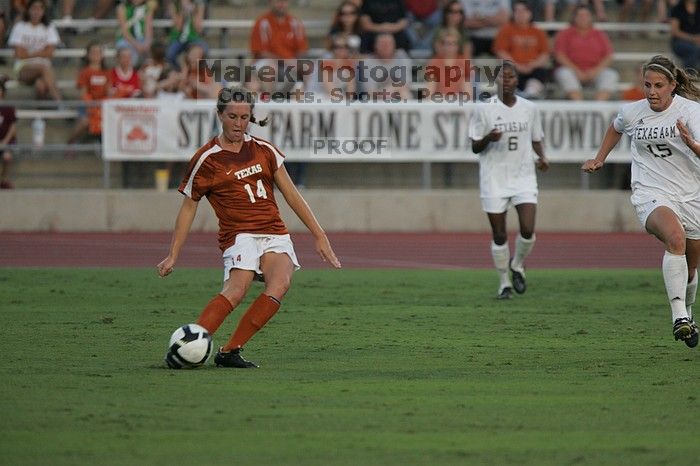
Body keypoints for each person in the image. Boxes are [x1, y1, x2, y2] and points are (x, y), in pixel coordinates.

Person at [157, 86, 342, 368]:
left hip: (274, 233)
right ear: (220, 115)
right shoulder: (207, 159)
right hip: (239, 235)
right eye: (232, 116)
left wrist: (320, 235)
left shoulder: (264, 150)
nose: (239, 124)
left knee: (280, 284)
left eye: (244, 117)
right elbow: (189, 206)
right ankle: (189, 347)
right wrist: (173, 254)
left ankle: (230, 351)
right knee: (237, 289)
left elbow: (292, 195)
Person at [582, 55, 700, 348]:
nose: (651, 92)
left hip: (691, 195)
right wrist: (599, 158)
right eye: (647, 85)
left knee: (692, 266)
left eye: (659, 85)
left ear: (673, 85)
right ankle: (678, 318)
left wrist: (692, 145)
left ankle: (688, 313)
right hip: (650, 192)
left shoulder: (691, 113)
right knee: (674, 238)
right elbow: (616, 127)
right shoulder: (633, 112)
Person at [468, 61, 549, 299]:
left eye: (511, 77)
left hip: (524, 176)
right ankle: (504, 283)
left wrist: (542, 158)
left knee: (527, 229)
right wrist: (488, 138)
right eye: (502, 77)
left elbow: (535, 138)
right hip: (494, 178)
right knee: (500, 235)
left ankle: (518, 264)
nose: (507, 81)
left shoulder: (529, 108)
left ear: (517, 80)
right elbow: (474, 146)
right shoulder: (484, 109)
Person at [553, 5, 618, 101]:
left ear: (591, 17)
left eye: (586, 15)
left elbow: (609, 56)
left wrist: (595, 71)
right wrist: (577, 71)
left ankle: (598, 107)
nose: (583, 18)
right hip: (572, 70)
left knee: (611, 74)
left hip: (594, 72)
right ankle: (579, 105)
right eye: (580, 15)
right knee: (563, 73)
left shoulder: (599, 34)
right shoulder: (565, 33)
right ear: (574, 18)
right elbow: (559, 55)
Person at [493, 1, 550, 99]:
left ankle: (530, 94)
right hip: (514, 68)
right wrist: (517, 65)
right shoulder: (506, 30)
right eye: (517, 11)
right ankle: (517, 95)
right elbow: (501, 52)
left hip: (533, 69)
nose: (520, 14)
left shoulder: (538, 32)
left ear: (530, 13)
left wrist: (532, 65)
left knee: (542, 71)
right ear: (513, 13)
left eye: (523, 11)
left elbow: (545, 54)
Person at [249, 0, 308, 94]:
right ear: (270, 3)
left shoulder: (295, 22)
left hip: (289, 62)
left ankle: (310, 102)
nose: (281, 4)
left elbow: (302, 50)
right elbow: (260, 53)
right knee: (270, 68)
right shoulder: (262, 22)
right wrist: (283, 60)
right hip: (266, 62)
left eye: (284, 1)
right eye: (277, 1)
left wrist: (296, 62)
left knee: (307, 67)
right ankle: (268, 101)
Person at [8, 0, 62, 101]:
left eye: (40, 8)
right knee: (44, 67)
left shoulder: (49, 27)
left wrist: (29, 53)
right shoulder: (20, 27)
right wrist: (41, 52)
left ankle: (42, 115)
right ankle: (59, 103)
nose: (37, 12)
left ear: (44, 11)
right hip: (24, 67)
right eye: (34, 8)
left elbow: (50, 53)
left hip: (44, 69)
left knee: (40, 86)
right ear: (28, 10)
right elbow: (19, 54)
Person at [68, 42, 111, 144]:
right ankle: (70, 142)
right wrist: (92, 106)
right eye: (93, 52)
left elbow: (109, 92)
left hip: (102, 105)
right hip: (88, 104)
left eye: (98, 52)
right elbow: (84, 92)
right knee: (84, 122)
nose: (96, 54)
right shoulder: (84, 72)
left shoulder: (107, 72)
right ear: (88, 55)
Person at [166, 0, 208, 69]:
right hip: (178, 38)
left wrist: (193, 11)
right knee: (170, 55)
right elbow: (178, 27)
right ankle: (181, 72)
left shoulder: (199, 4)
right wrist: (183, 10)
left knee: (204, 50)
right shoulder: (173, 5)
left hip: (193, 38)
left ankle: (198, 73)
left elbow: (198, 29)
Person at [116, 0, 155, 68]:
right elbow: (124, 32)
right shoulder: (122, 8)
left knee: (152, 53)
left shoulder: (147, 8)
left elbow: (148, 28)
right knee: (127, 52)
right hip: (126, 39)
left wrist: (147, 43)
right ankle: (128, 73)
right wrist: (137, 45)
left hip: (142, 39)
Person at [669, 0, 700, 70]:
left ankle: (689, 75)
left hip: (697, 41)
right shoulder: (677, 9)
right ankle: (689, 75)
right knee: (694, 50)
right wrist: (693, 39)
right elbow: (675, 31)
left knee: (695, 50)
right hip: (680, 42)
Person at [0, 76, 17, 189]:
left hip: (5, 141)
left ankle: (2, 179)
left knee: (7, 156)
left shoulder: (8, 108)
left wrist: (5, 142)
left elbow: (13, 128)